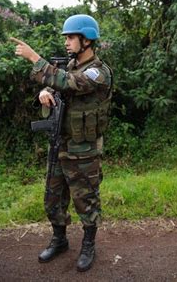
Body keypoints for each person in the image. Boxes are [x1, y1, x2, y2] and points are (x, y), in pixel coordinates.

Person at [12, 14, 112, 272]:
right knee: (53, 198)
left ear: (87, 39)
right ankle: (59, 239)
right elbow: (57, 86)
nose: (67, 42)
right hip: (60, 144)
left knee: (85, 199)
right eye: (66, 38)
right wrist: (45, 92)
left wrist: (35, 58)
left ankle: (88, 245)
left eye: (71, 37)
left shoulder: (98, 72)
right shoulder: (70, 65)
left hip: (84, 150)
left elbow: (69, 83)